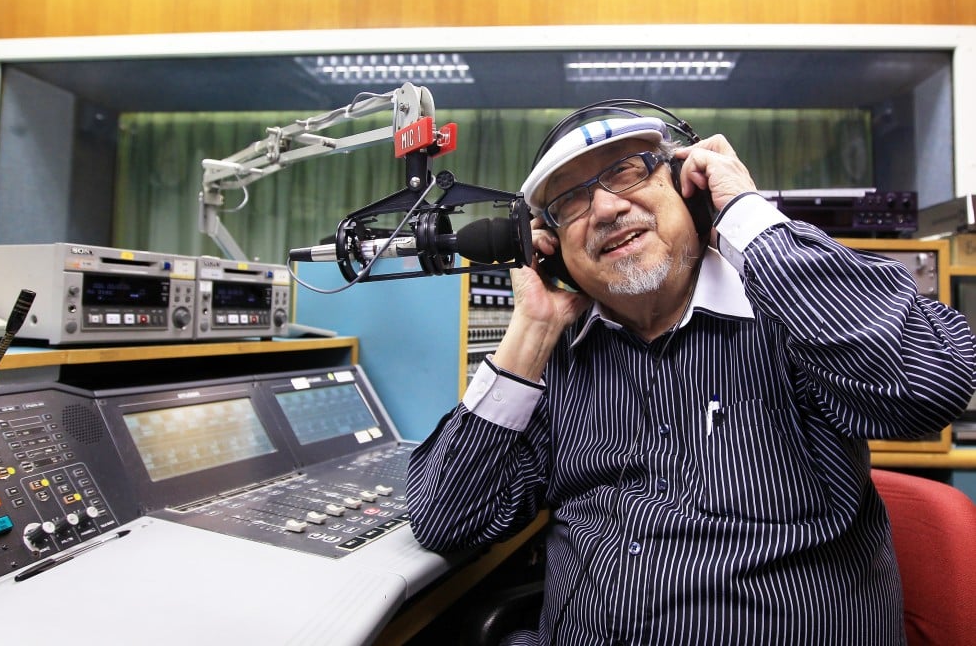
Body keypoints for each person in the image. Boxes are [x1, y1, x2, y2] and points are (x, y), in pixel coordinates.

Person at [405, 107, 976, 645]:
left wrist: (747, 217)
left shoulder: (792, 320)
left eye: (626, 172)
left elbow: (931, 386)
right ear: (551, 247)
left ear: (688, 187)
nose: (604, 210)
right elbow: (446, 518)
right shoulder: (559, 362)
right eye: (572, 201)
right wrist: (530, 329)